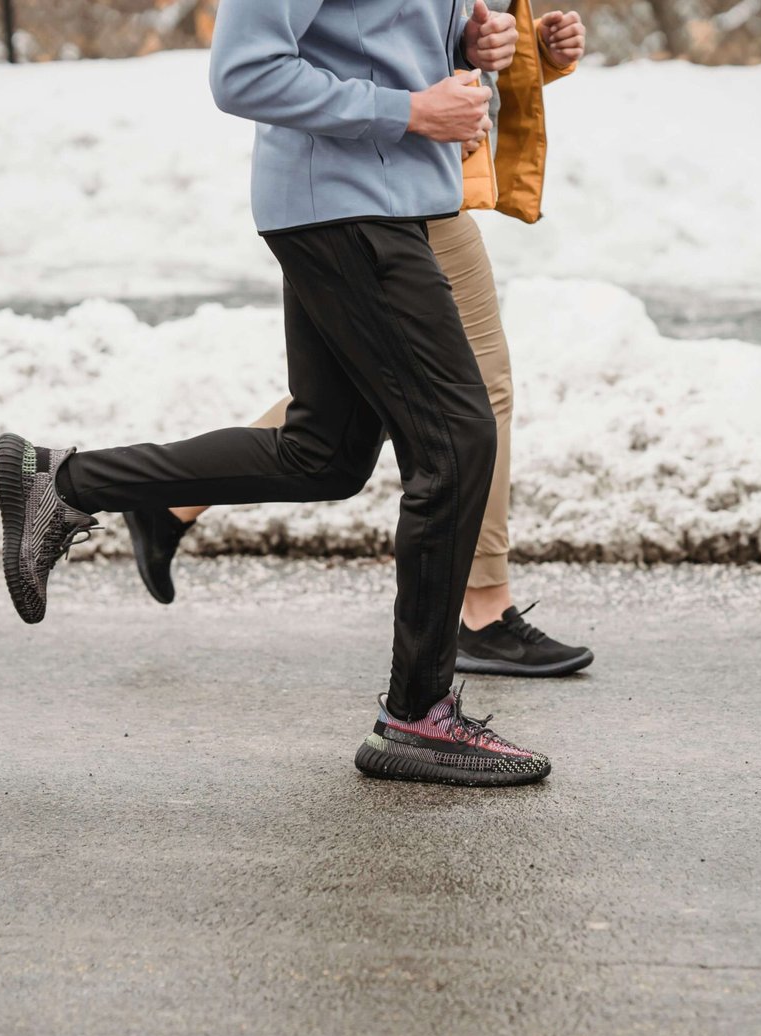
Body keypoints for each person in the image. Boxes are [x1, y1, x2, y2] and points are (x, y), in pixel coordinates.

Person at [0, 0, 553, 786]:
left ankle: (64, 481)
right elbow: (245, 71)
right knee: (458, 442)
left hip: (387, 201)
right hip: (348, 206)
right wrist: (410, 109)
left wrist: (469, 39)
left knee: (322, 455)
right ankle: (418, 714)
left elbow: (376, 33)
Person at [127, 2, 593, 680]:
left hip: (410, 180)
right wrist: (413, 109)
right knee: (467, 397)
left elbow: (399, 42)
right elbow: (253, 70)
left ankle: (161, 498)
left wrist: (509, 49)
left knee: (364, 405)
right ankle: (479, 614)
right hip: (362, 189)